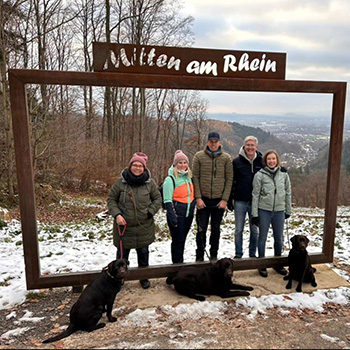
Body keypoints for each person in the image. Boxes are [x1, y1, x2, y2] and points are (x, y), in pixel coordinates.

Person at [107, 152, 162, 289]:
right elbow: (111, 200)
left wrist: (150, 211)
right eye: (135, 165)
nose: (137, 168)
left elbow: (157, 199)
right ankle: (117, 279)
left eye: (140, 166)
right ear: (130, 166)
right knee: (121, 256)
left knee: (143, 253)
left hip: (143, 226)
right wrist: (117, 215)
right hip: (123, 227)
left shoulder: (150, 183)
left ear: (144, 168)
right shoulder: (120, 183)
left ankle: (143, 277)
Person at [192, 132, 233, 261]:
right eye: (211, 141)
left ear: (220, 143)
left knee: (216, 230)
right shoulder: (199, 157)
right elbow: (195, 178)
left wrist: (224, 199)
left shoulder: (226, 158)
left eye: (216, 141)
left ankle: (214, 254)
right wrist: (198, 197)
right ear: (207, 142)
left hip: (218, 201)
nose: (213, 144)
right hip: (202, 200)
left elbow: (229, 179)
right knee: (201, 229)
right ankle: (200, 255)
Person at [251, 149, 292, 278]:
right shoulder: (260, 175)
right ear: (265, 161)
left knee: (279, 239)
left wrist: (288, 210)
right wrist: (255, 214)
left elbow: (288, 192)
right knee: (262, 237)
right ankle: (262, 264)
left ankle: (278, 262)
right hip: (264, 210)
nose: (271, 161)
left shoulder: (284, 174)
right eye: (269, 159)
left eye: (274, 159)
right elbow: (255, 195)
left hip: (279, 210)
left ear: (277, 160)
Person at [230, 136, 263, 259]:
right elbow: (231, 181)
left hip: (256, 201)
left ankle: (252, 253)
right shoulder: (236, 162)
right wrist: (230, 199)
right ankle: (238, 254)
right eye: (247, 145)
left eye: (252, 145)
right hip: (240, 200)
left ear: (256, 147)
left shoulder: (262, 161)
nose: (250, 147)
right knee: (239, 230)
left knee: (255, 230)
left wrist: (281, 170)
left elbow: (271, 171)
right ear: (244, 146)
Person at [163, 150, 195, 263]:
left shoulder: (189, 178)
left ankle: (180, 263)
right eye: (180, 163)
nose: (182, 165)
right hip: (177, 215)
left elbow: (191, 196)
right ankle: (177, 265)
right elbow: (167, 200)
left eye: (185, 162)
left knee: (182, 241)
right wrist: (172, 216)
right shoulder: (170, 179)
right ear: (175, 165)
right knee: (177, 241)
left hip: (188, 215)